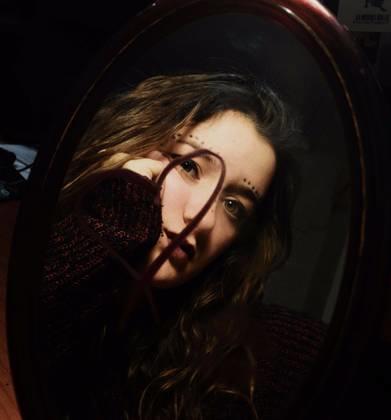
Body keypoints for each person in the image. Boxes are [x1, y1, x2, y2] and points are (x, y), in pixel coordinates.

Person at [40, 73, 326, 420]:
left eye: (233, 206)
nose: (203, 219)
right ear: (128, 148)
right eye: (189, 167)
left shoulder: (256, 353)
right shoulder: (36, 250)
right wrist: (107, 226)